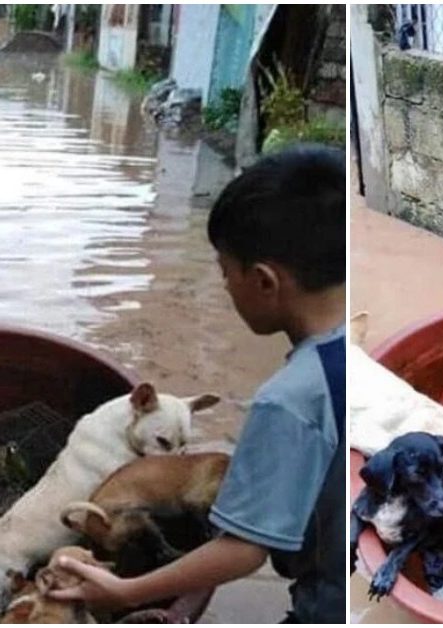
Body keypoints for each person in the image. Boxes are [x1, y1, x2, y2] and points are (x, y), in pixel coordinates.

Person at [50, 145, 346, 623]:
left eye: (225, 273)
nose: (224, 287)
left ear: (264, 281)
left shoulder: (288, 399)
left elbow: (242, 551)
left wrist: (126, 592)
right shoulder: (358, 343)